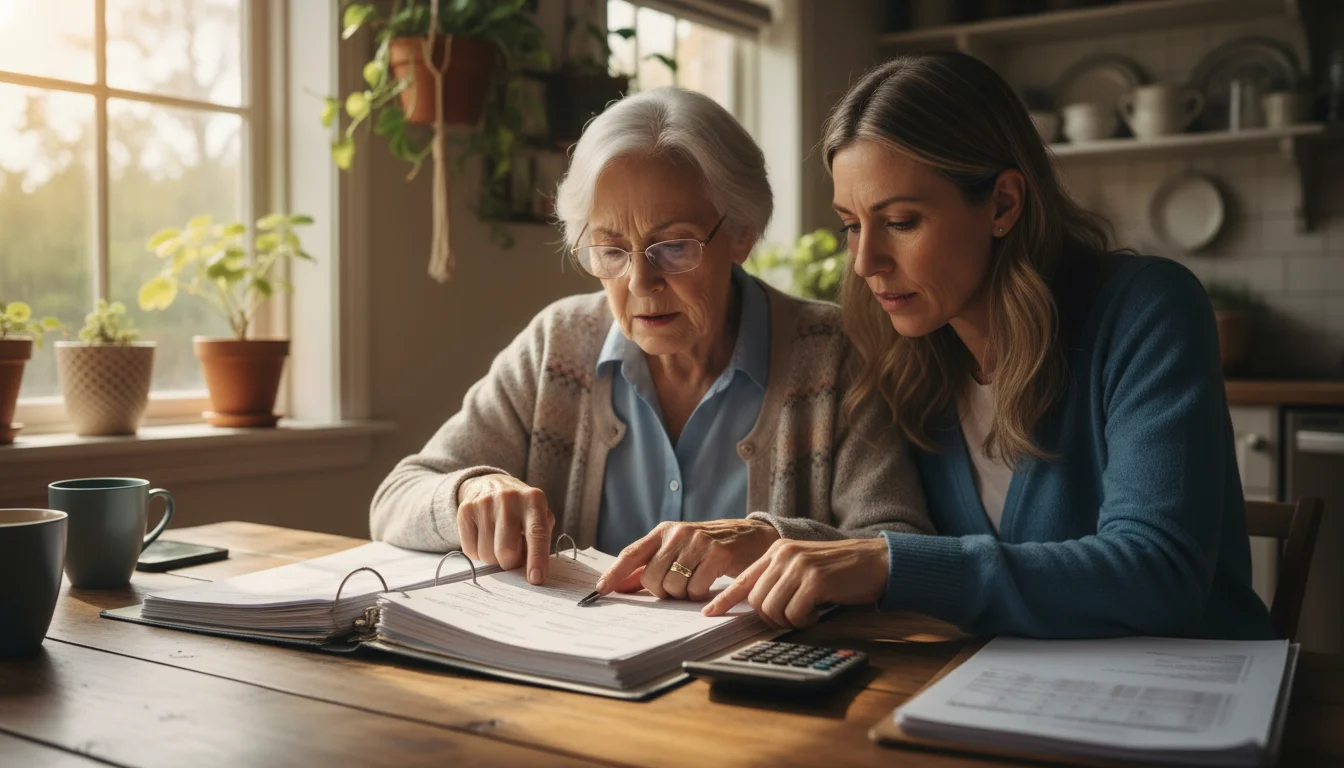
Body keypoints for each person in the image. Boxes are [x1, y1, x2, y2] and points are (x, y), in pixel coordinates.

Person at [704, 52, 1274, 640]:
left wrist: (889, 562)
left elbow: (1162, 576)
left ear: (1002, 204)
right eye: (852, 224)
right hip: (1002, 699)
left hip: (1189, 699)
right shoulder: (910, 354)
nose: (866, 261)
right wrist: (775, 537)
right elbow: (905, 547)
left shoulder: (1146, 311)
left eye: (899, 221)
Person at [370, 86, 931, 594]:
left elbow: (900, 544)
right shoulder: (558, 345)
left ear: (741, 233)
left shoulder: (834, 352)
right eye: (611, 250)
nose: (640, 283)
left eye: (675, 245)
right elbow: (399, 496)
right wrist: (473, 491)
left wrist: (767, 541)